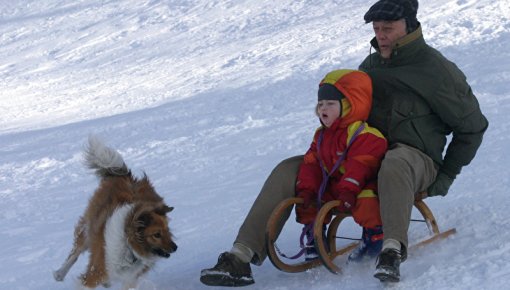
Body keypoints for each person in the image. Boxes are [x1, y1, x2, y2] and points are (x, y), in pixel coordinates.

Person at [200, 0, 488, 286]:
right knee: (289, 169)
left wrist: (445, 176)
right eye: (377, 28)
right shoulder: (370, 66)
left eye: (388, 28)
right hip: (361, 156)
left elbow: (472, 128)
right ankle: (240, 256)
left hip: (413, 159)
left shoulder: (436, 71)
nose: (381, 35)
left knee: (395, 162)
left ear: (410, 26)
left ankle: (391, 251)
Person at [293, 69, 387, 263]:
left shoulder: (364, 134)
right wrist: (307, 190)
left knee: (367, 200)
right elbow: (312, 164)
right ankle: (316, 237)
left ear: (349, 106)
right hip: (340, 186)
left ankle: (375, 235)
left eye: (330, 104)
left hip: (363, 184)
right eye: (320, 104)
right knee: (310, 200)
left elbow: (360, 165)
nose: (323, 109)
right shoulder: (321, 135)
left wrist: (349, 190)